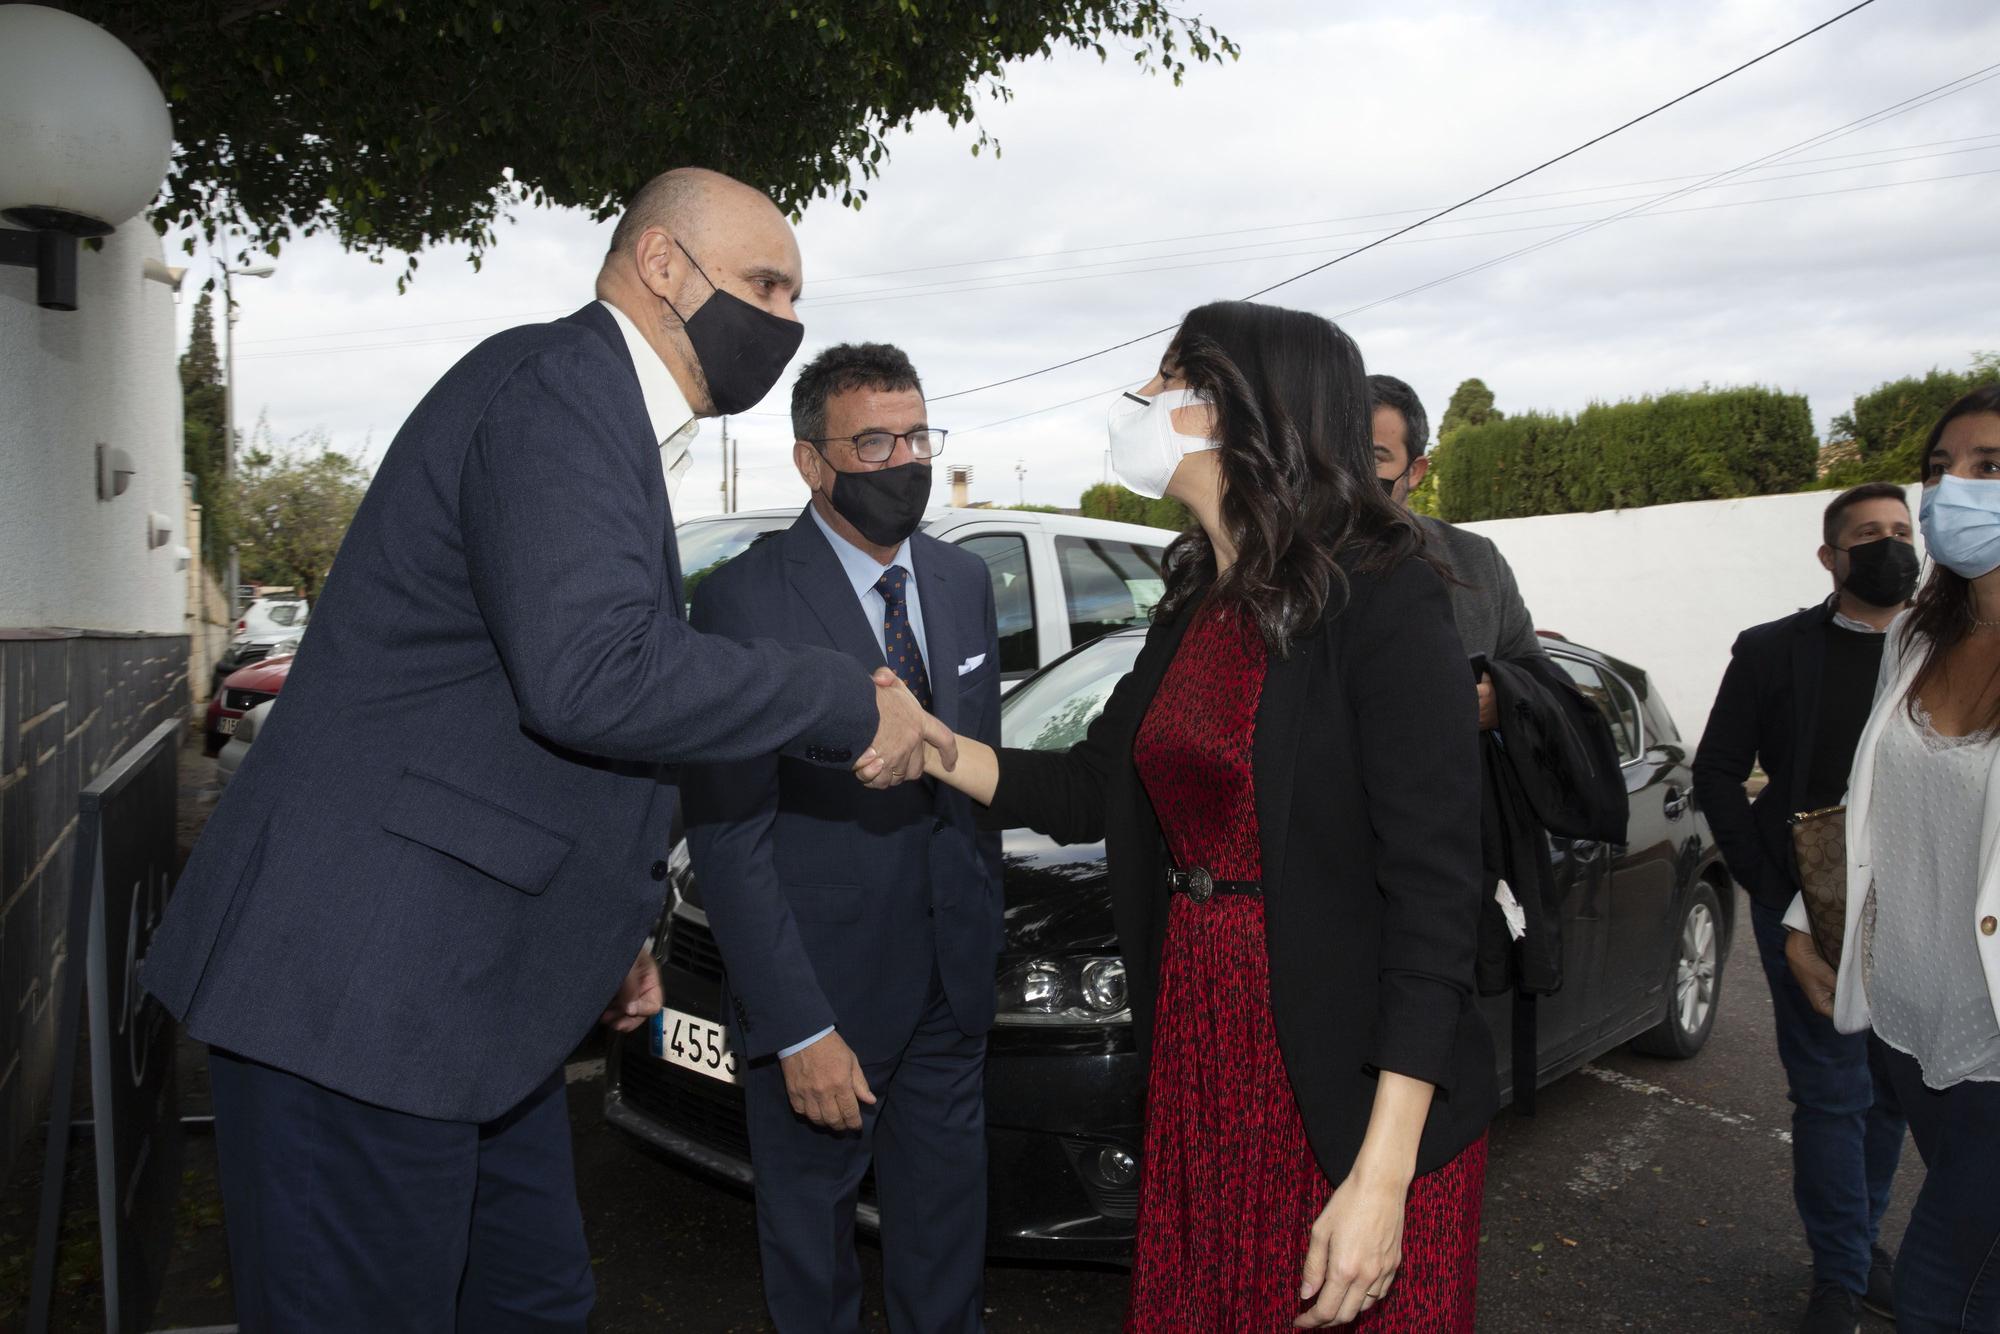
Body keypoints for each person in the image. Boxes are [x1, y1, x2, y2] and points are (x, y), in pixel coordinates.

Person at [140, 169, 950, 1333]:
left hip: (477, 994)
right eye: (766, 285)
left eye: (796, 294)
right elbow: (594, 674)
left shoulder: (599, 421)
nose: (786, 322)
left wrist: (605, 929)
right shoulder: (557, 387)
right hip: (365, 993)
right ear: (662, 264)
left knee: (533, 1297)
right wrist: (840, 699)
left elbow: (516, 708)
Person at [904, 301, 1497, 1330]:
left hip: (1340, 1075)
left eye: (1165, 378)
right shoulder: (1193, 597)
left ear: (1242, 409)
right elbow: (1095, 786)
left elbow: (1434, 895)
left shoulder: (1385, 594)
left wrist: (1381, 1174)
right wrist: (928, 740)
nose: (1137, 399)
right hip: (1203, 1043)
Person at [681, 343, 1003, 1334]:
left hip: (952, 980)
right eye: (873, 439)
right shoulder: (744, 601)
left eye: (916, 435)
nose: (901, 457)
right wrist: (796, 1026)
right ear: (810, 461)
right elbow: (729, 832)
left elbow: (971, 768)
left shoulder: (959, 580)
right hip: (822, 1003)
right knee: (812, 1260)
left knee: (946, 1241)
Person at [1786, 385, 2000, 1333]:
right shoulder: (1919, 633)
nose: (1955, 490)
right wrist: (1806, 921)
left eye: (1989, 467)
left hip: (1993, 1056)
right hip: (1909, 1031)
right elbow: (1872, 805)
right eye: (1941, 469)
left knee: (1936, 1297)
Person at [1694, 482, 1919, 1332]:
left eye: (1901, 531)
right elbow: (1717, 773)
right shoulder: (1772, 650)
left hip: (1920, 911)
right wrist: (1779, 902)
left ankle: (1860, 1249)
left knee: (1892, 1095)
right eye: (1868, 535)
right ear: (1831, 558)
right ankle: (1839, 1275)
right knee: (1832, 1096)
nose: (1891, 546)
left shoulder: (1952, 652)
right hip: (1808, 907)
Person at [1368, 374, 1548, 727]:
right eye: (1342, 453)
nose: (1353, 473)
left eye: (1375, 457)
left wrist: (1503, 700)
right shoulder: (1293, 563)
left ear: (1415, 471)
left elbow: (1536, 671)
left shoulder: (1476, 561)